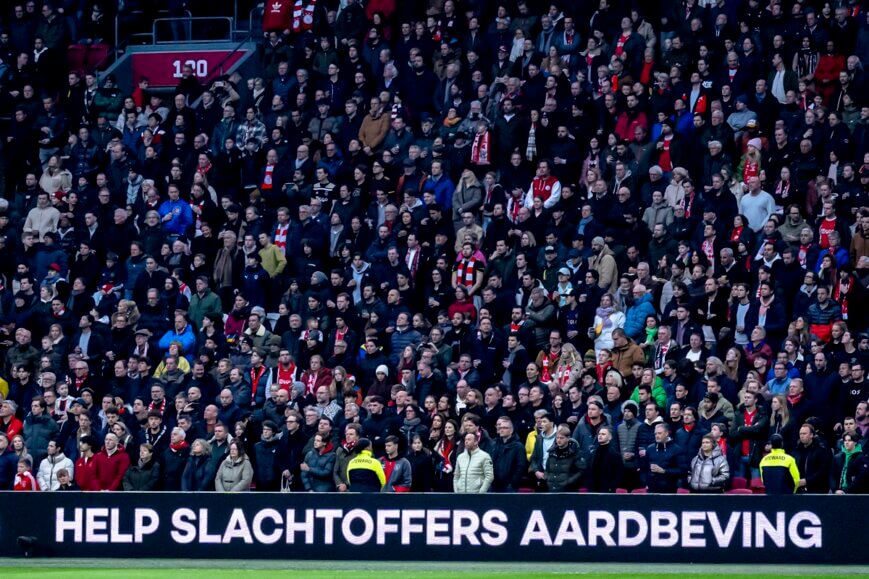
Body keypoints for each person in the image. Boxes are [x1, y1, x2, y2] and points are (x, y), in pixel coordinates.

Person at [543, 425, 586, 492]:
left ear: (568, 438)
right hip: (551, 488)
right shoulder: (551, 452)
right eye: (557, 438)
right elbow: (547, 469)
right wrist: (547, 478)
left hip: (567, 490)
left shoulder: (575, 453)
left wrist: (569, 482)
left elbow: (581, 471)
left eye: (561, 438)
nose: (559, 440)